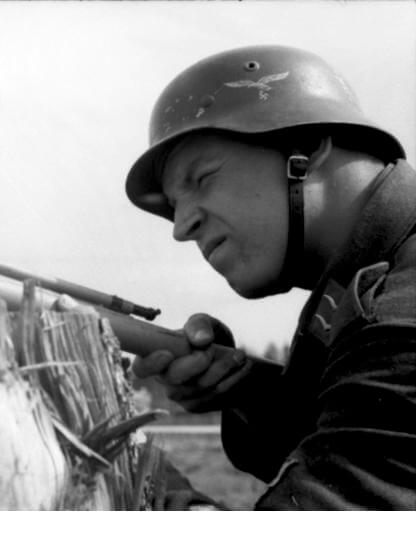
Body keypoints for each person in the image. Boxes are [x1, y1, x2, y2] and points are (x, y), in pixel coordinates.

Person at [124, 45, 416, 510]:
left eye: (202, 178)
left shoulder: (399, 309)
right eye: (174, 207)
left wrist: (143, 492)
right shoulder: (360, 286)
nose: (181, 228)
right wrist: (247, 390)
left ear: (309, 146)